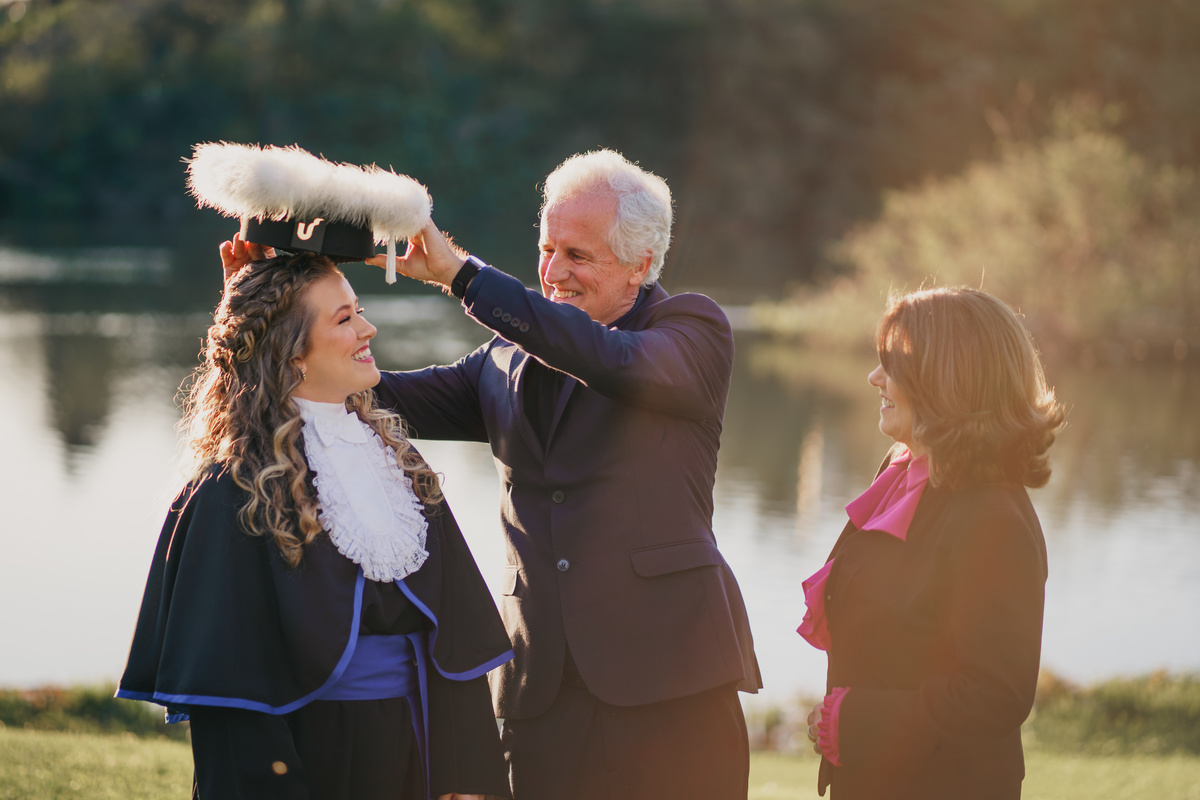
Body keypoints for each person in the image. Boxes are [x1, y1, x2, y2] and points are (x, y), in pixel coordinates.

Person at [361, 149, 761, 799]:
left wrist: (462, 275)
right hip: (542, 694)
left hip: (672, 684)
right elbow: (372, 399)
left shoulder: (691, 331)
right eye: (547, 249)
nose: (552, 271)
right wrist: (282, 303)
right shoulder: (501, 360)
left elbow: (606, 358)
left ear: (640, 265)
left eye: (578, 255)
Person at [117, 248, 514, 800]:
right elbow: (231, 696)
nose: (368, 329)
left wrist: (465, 774)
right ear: (293, 353)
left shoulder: (399, 464)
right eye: (345, 318)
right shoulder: (231, 489)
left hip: (420, 745)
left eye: (359, 310)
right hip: (310, 754)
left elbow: (449, 644)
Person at [797, 287, 1065, 799]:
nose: (874, 378)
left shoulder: (993, 516)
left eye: (893, 365)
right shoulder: (905, 474)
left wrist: (852, 722)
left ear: (948, 377)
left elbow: (993, 695)